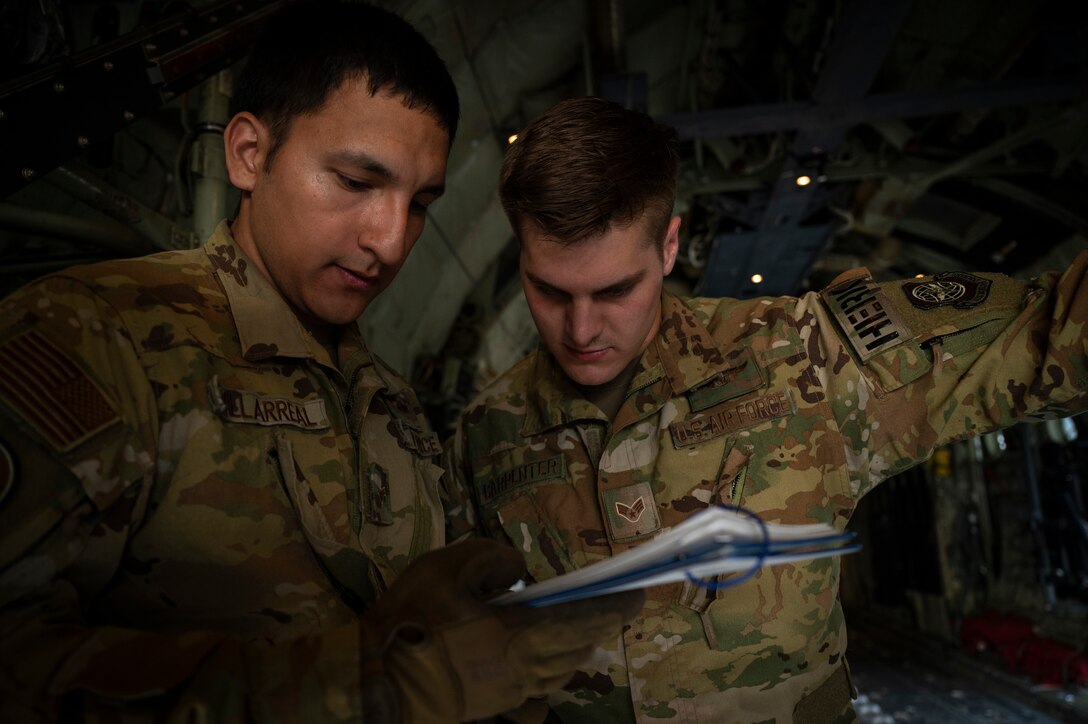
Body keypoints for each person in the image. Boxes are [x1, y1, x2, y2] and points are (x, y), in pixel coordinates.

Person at [0, 7, 640, 723]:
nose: (392, 242)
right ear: (247, 153)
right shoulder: (99, 338)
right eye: (356, 182)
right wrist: (365, 687)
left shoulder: (390, 406)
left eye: (422, 203)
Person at [442, 95, 1088, 723]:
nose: (580, 329)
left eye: (615, 290)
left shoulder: (804, 358)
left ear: (669, 247)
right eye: (549, 290)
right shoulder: (485, 434)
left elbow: (1050, 334)